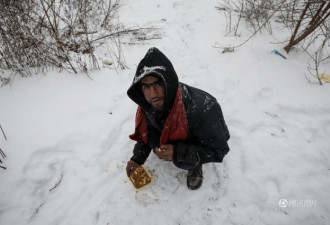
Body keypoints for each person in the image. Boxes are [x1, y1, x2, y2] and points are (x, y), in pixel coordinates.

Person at [126, 47, 230, 190]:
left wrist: (179, 152)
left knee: (182, 161)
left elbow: (219, 150)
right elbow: (146, 131)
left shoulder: (202, 109)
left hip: (200, 138)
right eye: (146, 86)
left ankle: (195, 167)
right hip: (174, 131)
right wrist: (137, 158)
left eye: (158, 83)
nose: (153, 94)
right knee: (153, 138)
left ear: (169, 81)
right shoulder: (149, 105)